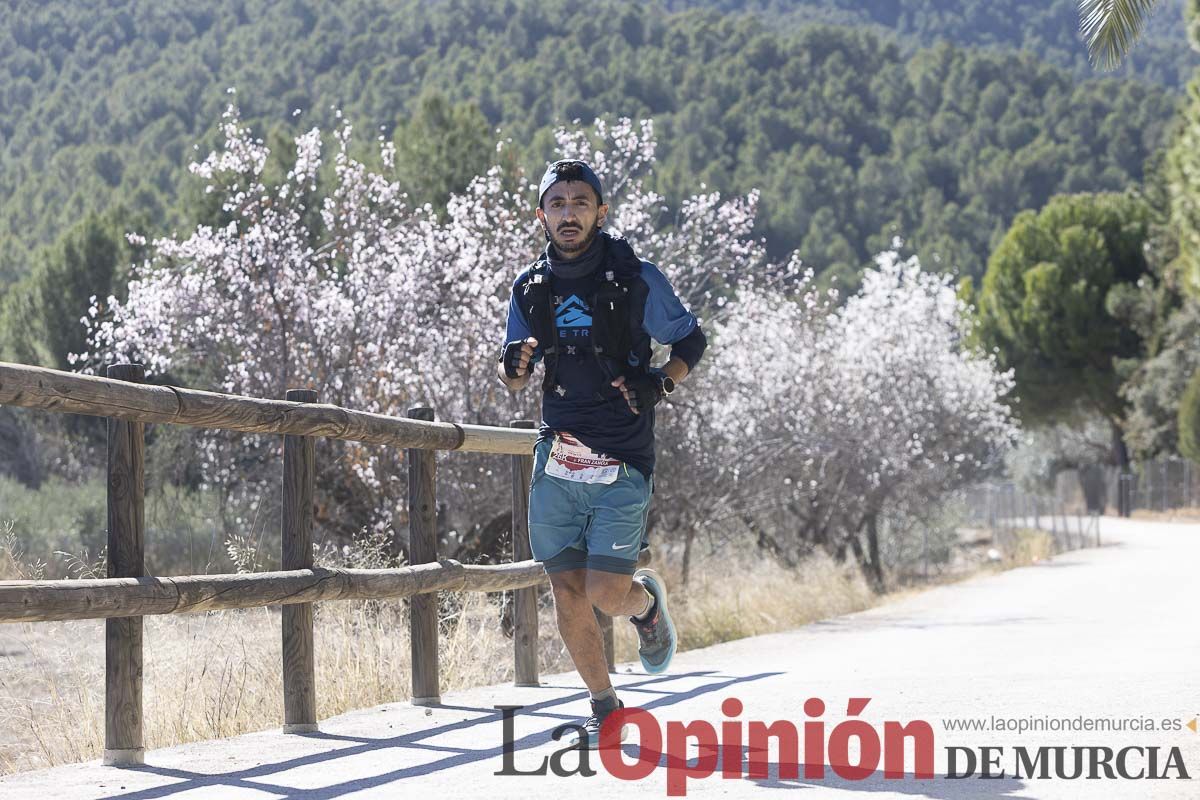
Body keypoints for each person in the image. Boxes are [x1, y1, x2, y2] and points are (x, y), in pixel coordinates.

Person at [497, 159, 707, 747]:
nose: (569, 213)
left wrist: (660, 381)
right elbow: (517, 373)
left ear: (600, 212)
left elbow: (691, 338)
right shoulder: (529, 287)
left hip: (621, 454)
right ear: (542, 215)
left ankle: (644, 608)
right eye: (558, 203)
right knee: (566, 589)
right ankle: (606, 708)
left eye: (580, 203)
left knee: (604, 593)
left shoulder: (636, 278)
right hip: (558, 455)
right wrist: (512, 369)